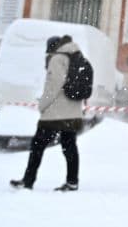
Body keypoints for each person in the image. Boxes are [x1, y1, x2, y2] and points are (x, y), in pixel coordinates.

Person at [10, 35, 84, 191]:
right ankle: (72, 181)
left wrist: (42, 105)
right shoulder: (77, 57)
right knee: (69, 147)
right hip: (73, 111)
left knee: (37, 145)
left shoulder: (57, 59)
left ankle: (28, 180)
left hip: (55, 113)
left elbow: (53, 86)